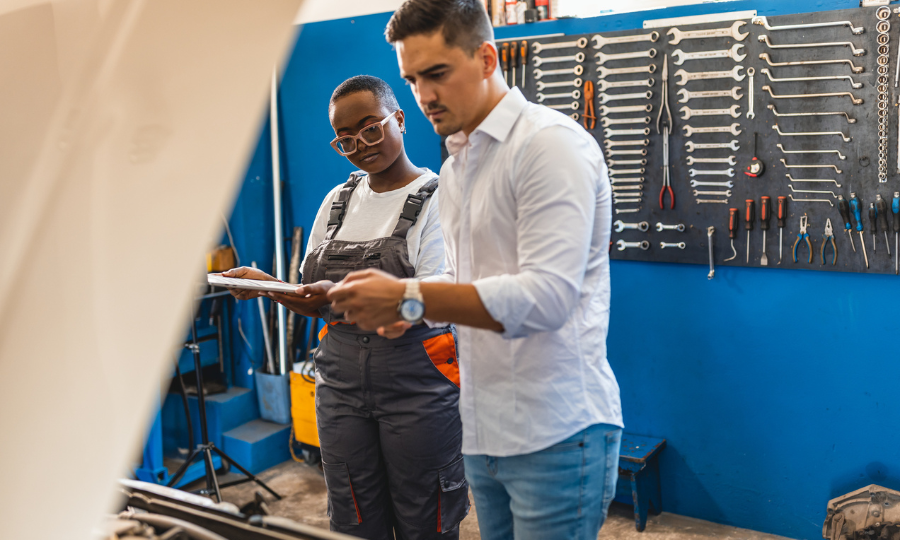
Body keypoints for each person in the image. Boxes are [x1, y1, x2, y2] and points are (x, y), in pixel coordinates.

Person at [325, 2, 623, 539]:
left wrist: (408, 294)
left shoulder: (548, 147)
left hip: (556, 430)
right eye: (412, 78)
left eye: (437, 74)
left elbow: (547, 297)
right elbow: (461, 286)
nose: (423, 96)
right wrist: (408, 307)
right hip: (483, 428)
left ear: (486, 58)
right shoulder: (458, 167)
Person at [223, 75, 469, 540]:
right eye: (346, 138)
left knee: (426, 519)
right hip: (340, 387)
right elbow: (312, 300)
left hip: (416, 383)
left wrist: (393, 305)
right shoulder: (337, 202)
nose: (360, 144)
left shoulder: (439, 198)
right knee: (353, 517)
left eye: (371, 128)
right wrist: (270, 286)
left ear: (398, 119)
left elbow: (444, 294)